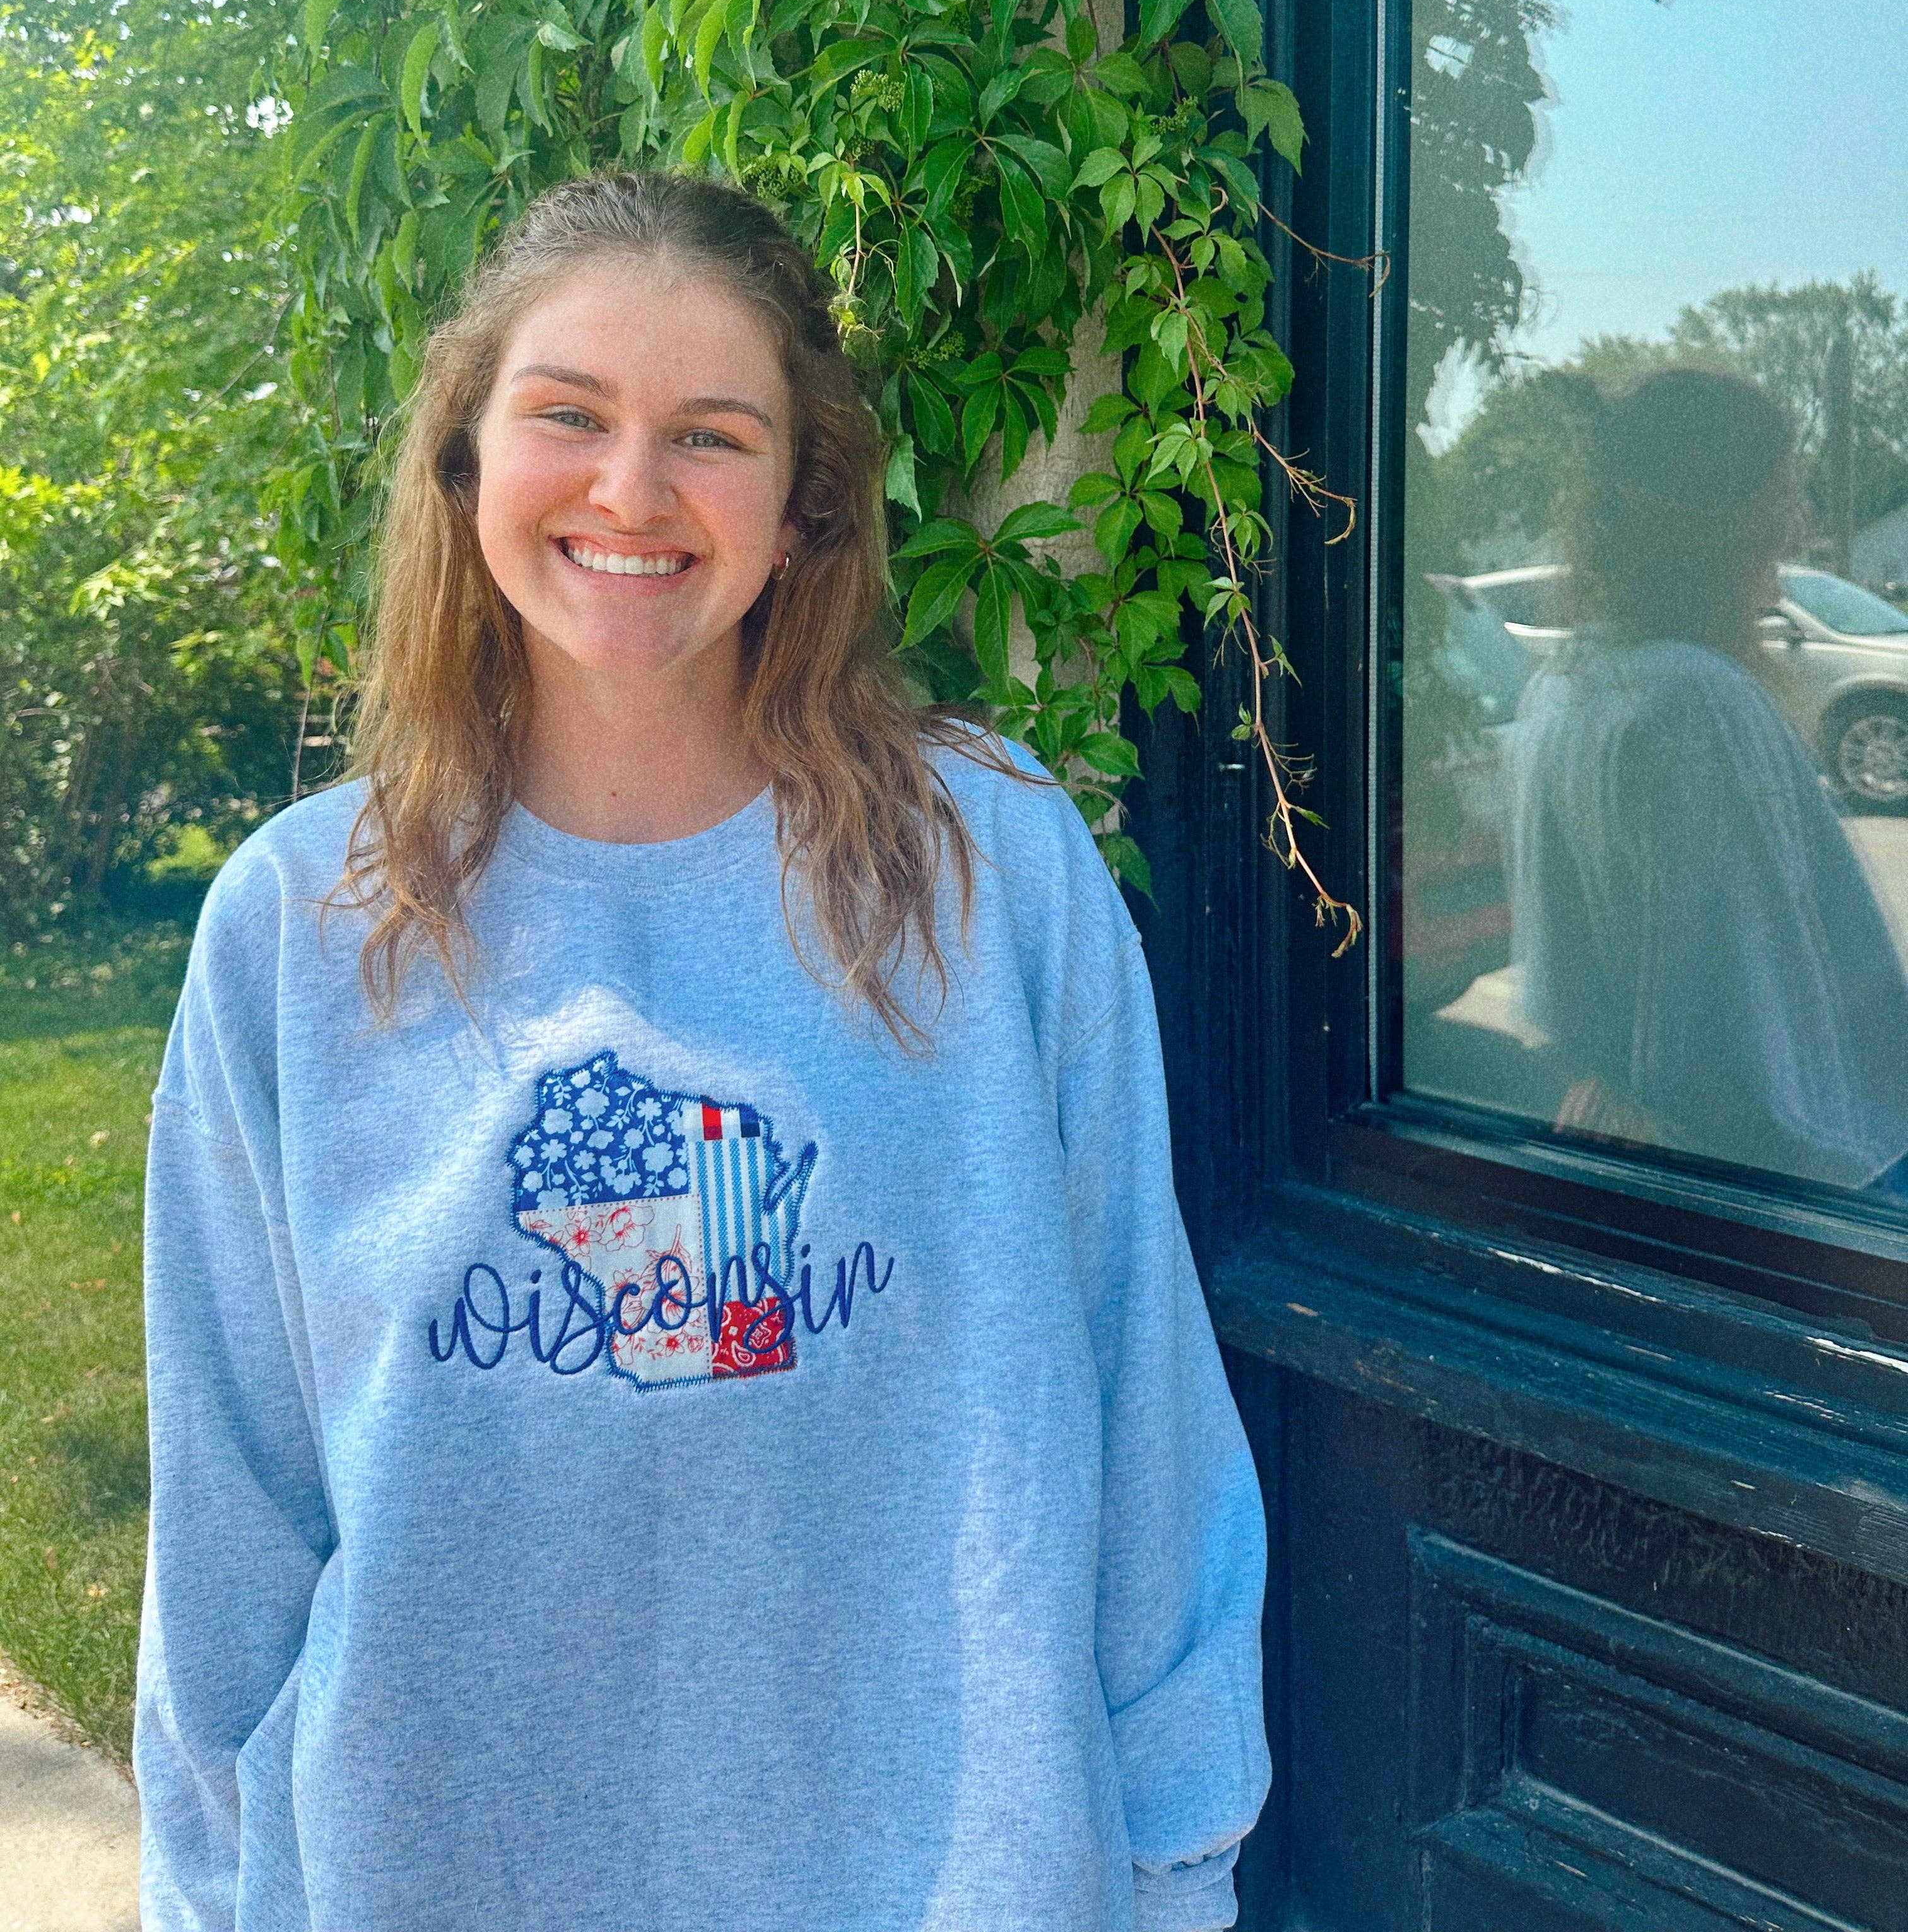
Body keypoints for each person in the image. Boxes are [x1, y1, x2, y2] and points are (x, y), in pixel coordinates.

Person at [133, 170, 1270, 1932]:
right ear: (465, 458)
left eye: (710, 436)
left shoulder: (990, 864)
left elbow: (1143, 1402)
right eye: (567, 415)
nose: (631, 489)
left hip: (950, 1882)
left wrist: (1177, 1869)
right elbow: (230, 1518)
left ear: (806, 505)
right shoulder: (300, 926)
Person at [1507, 365, 1908, 1189]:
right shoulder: (1695, 703)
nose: (1800, 529)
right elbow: (1746, 1047)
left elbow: (1560, 994)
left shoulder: (1567, 681)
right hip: (1803, 1198)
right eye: (1784, 492)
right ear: (1719, 521)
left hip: (1672, 1175)